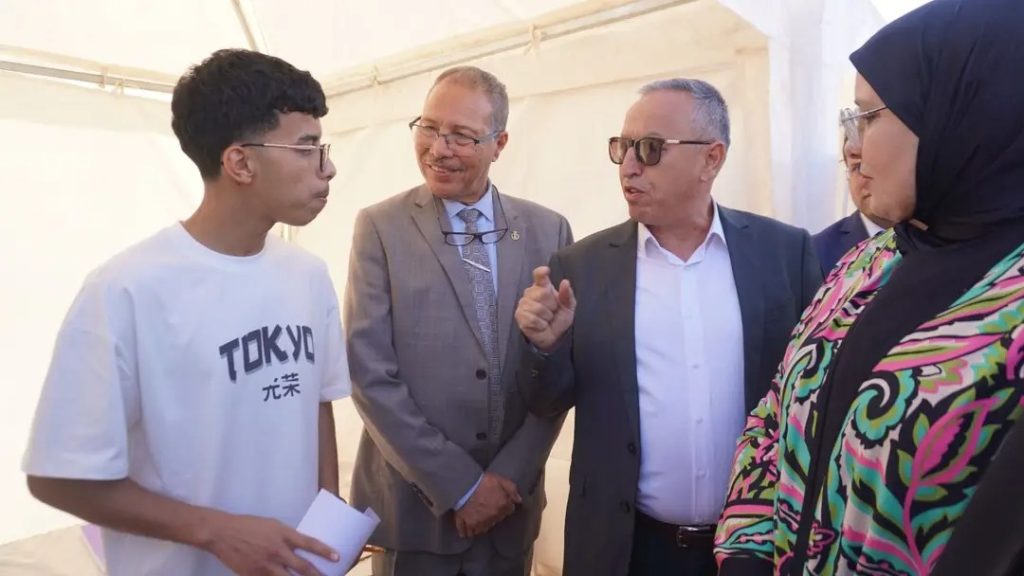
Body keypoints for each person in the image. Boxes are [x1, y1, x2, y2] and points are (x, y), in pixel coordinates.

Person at [715, 1, 1024, 574]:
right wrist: (746, 552)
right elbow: (774, 416)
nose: (851, 146)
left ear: (961, 111)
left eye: (869, 116)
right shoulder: (866, 262)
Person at [22, 49, 351, 576]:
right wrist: (216, 531)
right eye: (306, 147)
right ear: (240, 163)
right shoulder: (125, 290)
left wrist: (327, 535)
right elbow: (59, 476)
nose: (327, 167)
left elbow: (316, 403)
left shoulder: (308, 276)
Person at [514, 78, 821, 576]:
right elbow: (547, 401)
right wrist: (543, 348)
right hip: (628, 548)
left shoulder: (784, 254)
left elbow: (814, 395)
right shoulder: (582, 266)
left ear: (711, 159)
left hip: (756, 545)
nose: (629, 166)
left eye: (651, 148)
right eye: (623, 147)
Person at [345, 66, 572, 576]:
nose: (438, 148)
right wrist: (461, 487)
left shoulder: (548, 230)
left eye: (461, 136)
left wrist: (508, 478)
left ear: (499, 143)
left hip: (510, 513)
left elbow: (560, 369)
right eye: (428, 128)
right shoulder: (380, 228)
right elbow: (369, 374)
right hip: (416, 514)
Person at [812, 136, 894, 275]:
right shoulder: (816, 254)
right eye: (858, 167)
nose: (869, 176)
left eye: (881, 163)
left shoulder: (931, 240)